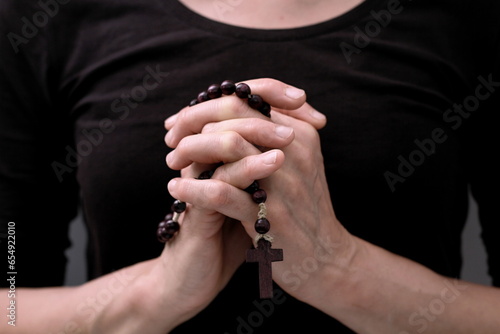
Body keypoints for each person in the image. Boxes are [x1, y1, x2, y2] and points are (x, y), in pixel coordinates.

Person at [1, 0, 499, 333]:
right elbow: (9, 304)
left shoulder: (472, 14)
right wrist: (149, 298)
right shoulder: (45, 15)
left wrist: (341, 269)